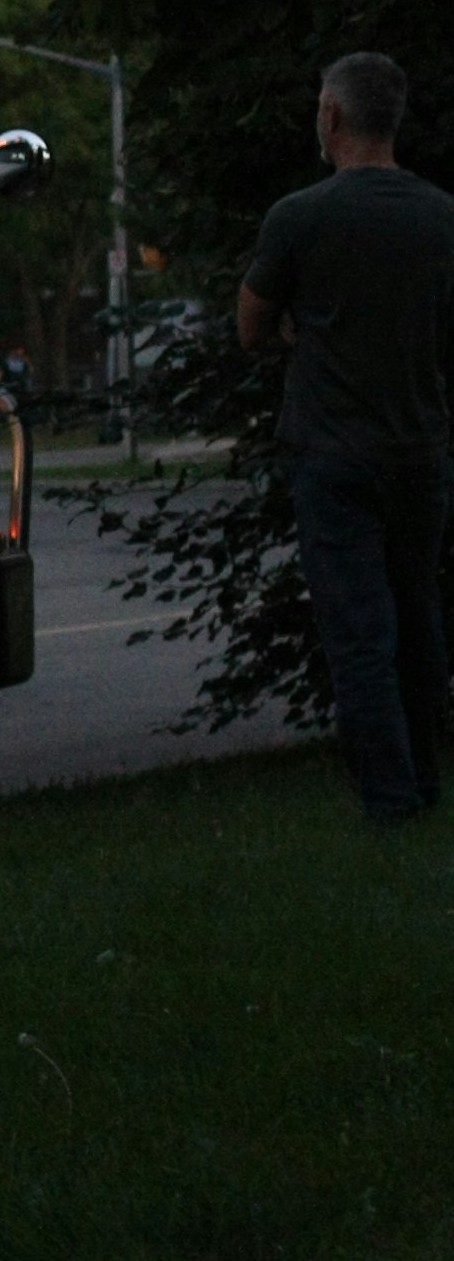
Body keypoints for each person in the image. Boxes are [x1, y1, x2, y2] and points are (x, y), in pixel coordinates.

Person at [236, 52, 454, 826]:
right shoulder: (439, 215)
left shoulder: (301, 216)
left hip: (334, 454)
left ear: (332, 116)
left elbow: (250, 323)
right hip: (421, 450)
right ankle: (426, 778)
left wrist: (302, 324)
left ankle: (390, 798)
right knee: (418, 616)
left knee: (359, 631)